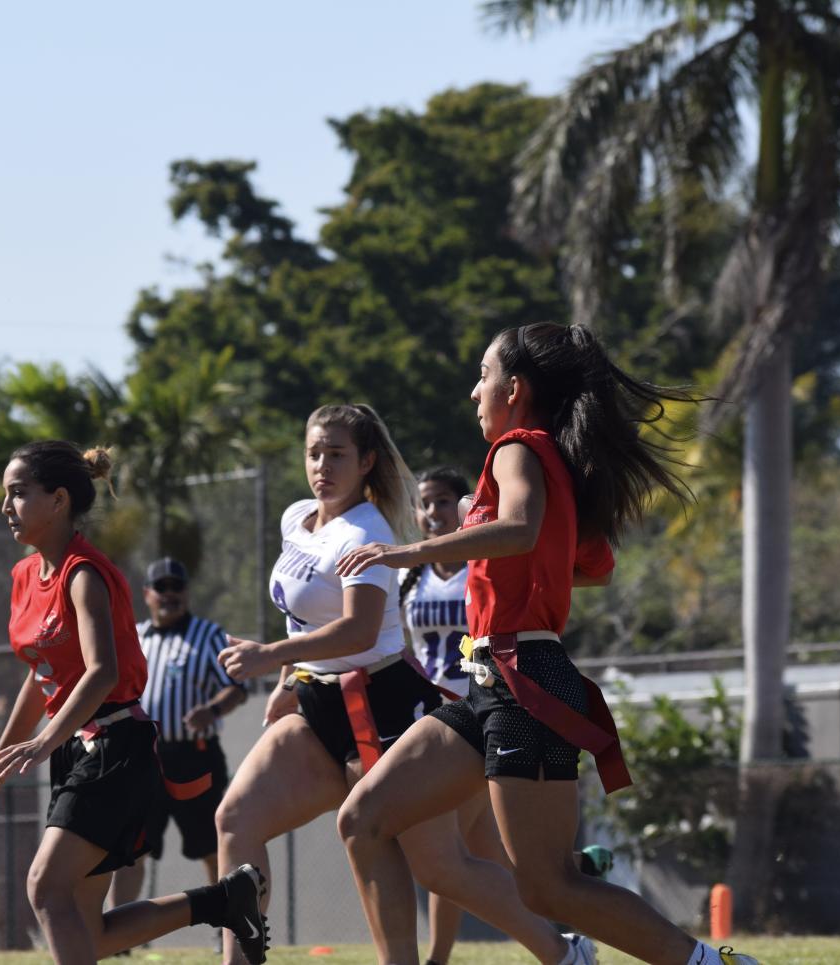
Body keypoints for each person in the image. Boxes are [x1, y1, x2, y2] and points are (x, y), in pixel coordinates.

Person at [336, 323, 761, 965]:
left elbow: (520, 526)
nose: (473, 391)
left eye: (482, 376)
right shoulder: (548, 458)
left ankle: (713, 964)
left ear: (515, 388)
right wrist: (525, 570)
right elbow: (592, 565)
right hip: (490, 681)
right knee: (363, 818)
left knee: (548, 887)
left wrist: (413, 551)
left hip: (525, 679)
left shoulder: (517, 447)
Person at [214, 404, 592, 965]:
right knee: (235, 821)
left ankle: (563, 952)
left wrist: (272, 656)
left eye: (337, 454)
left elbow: (359, 628)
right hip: (318, 701)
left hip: (384, 703)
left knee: (441, 868)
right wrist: (290, 677)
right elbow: (303, 616)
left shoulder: (367, 530)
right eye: (314, 452)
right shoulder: (295, 517)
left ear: (367, 461)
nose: (322, 465)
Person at [0, 441, 268, 965]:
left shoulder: (84, 574)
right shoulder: (24, 577)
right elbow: (42, 677)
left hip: (115, 750)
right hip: (78, 751)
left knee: (45, 887)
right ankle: (222, 899)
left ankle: (223, 899)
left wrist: (41, 741)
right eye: (6, 495)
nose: (6, 507)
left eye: (18, 493)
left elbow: (102, 673)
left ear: (58, 500)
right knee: (90, 932)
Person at [401, 466, 610, 965]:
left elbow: (580, 568)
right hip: (436, 713)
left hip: (484, 701)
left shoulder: (484, 550)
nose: (432, 513)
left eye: (442, 502)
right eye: (424, 503)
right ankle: (572, 879)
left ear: (466, 505)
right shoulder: (412, 577)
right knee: (480, 855)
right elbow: (404, 645)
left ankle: (440, 959)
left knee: (450, 856)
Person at [109, 556, 248, 909]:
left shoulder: (209, 635)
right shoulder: (134, 637)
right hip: (143, 759)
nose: (170, 594)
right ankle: (117, 937)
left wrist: (213, 709)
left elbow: (236, 686)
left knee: (212, 846)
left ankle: (228, 926)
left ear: (186, 592)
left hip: (194, 758)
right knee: (130, 848)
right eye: (162, 587)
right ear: (147, 594)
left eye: (177, 587)